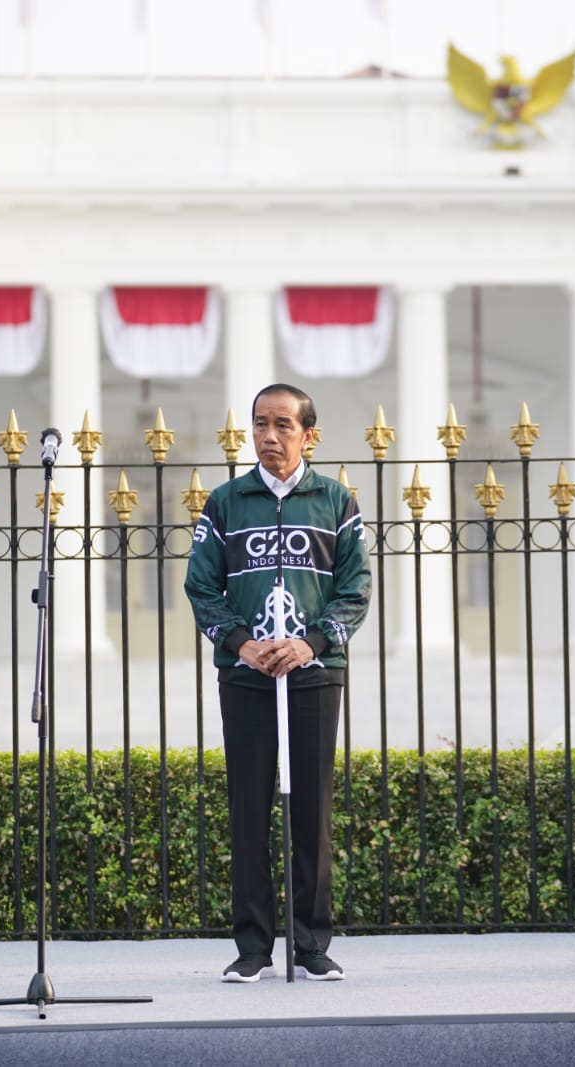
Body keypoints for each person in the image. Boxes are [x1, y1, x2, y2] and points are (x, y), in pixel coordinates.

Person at [184, 384, 371, 983]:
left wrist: (309, 643)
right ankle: (253, 947)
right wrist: (242, 643)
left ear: (308, 434)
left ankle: (312, 945)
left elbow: (356, 589)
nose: (269, 436)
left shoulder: (336, 501)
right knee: (248, 809)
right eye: (260, 425)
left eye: (283, 425)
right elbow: (201, 587)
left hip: (315, 676)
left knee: (311, 811)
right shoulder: (225, 503)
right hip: (246, 677)